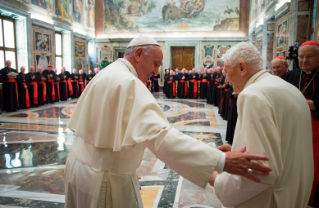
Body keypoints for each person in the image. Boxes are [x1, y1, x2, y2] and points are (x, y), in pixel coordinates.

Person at [64, 36, 272, 208]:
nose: (156, 72)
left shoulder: (109, 73)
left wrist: (125, 167)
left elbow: (112, 132)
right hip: (106, 179)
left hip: (83, 170)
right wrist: (221, 161)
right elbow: (161, 137)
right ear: (138, 54)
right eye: (155, 64)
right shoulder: (128, 82)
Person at [210, 42, 313, 208]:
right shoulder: (288, 88)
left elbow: (261, 172)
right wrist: (239, 149)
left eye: (227, 73)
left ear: (242, 68)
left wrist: (217, 180)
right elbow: (282, 143)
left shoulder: (252, 95)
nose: (227, 81)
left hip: (268, 200)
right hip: (292, 193)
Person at [287, 41, 319, 207]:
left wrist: (313, 104)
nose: (304, 60)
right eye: (301, 56)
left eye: (309, 56)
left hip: (315, 127)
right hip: (292, 126)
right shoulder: (292, 75)